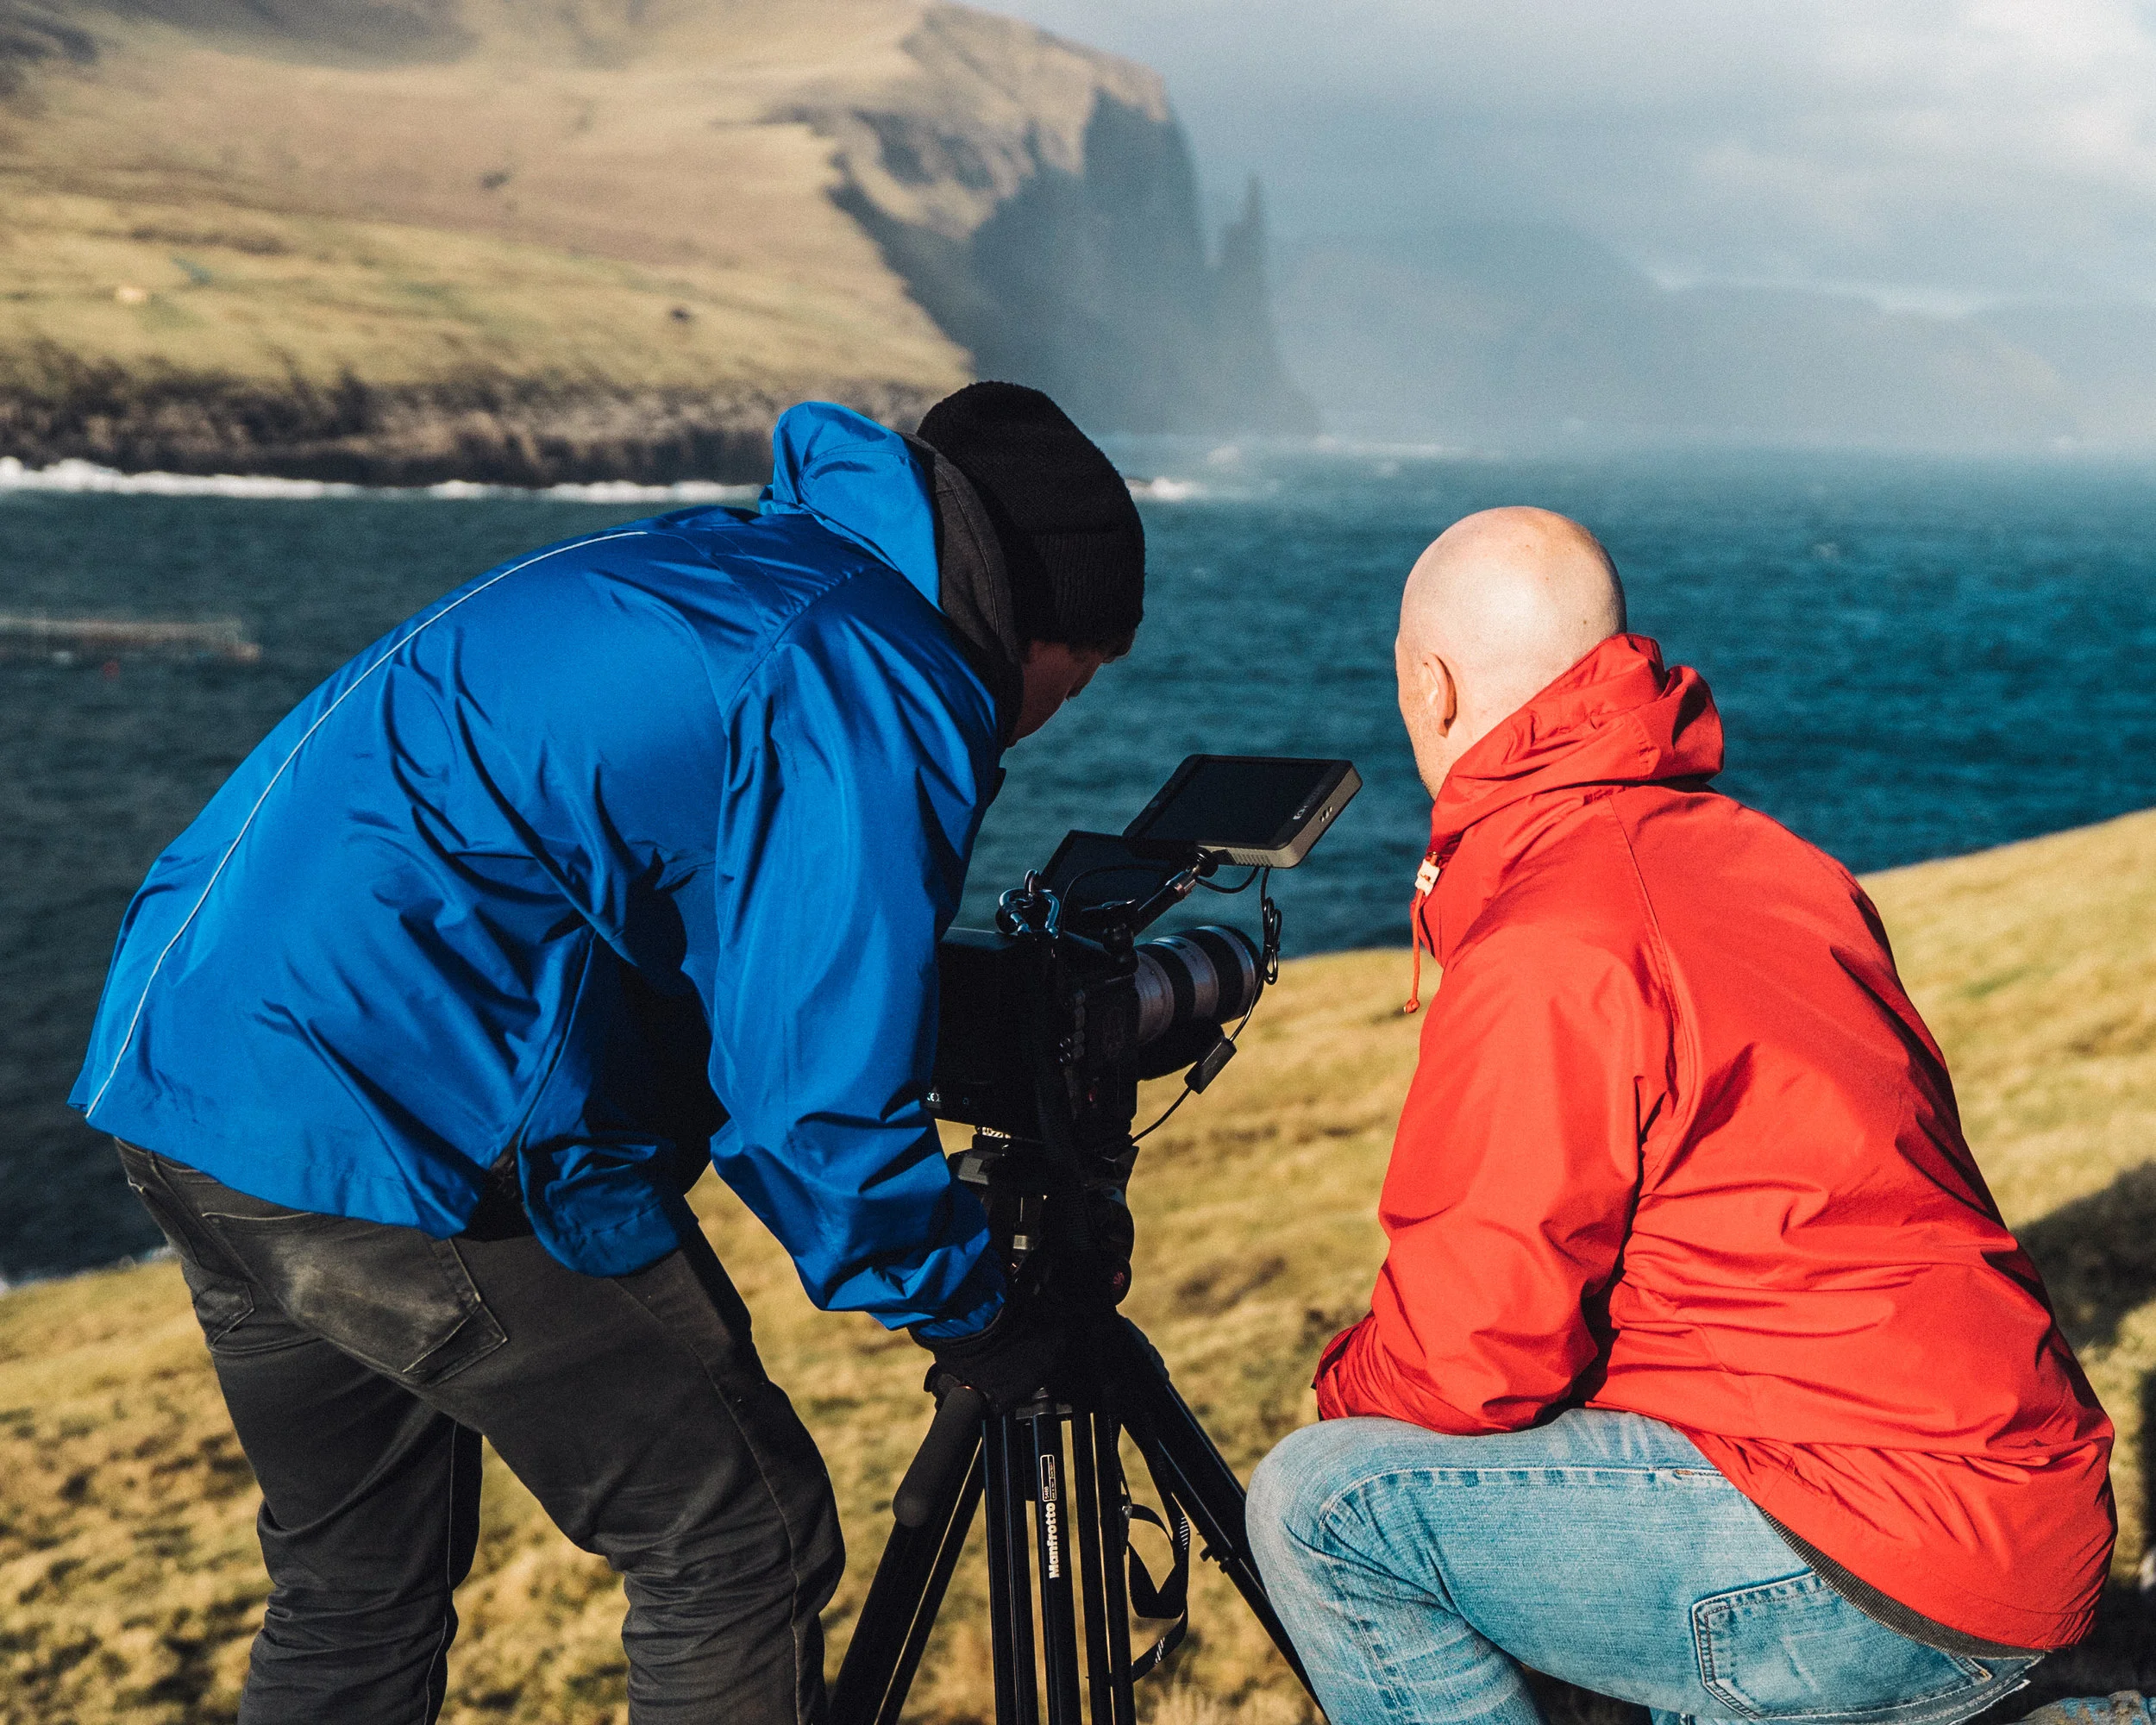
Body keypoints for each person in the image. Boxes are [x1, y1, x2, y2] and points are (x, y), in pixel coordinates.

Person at [70, 382, 1144, 1725]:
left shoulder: (715, 565)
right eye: (1080, 680)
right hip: (404, 1123)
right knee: (735, 1546)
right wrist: (980, 1308)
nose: (1053, 717)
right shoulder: (876, 664)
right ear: (1041, 627)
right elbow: (816, 1121)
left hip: (185, 1079)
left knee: (354, 1588)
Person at [1247, 507, 2115, 1725]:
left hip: (1862, 1542)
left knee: (1332, 1504)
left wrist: (1339, 1391)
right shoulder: (1777, 863)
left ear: (1428, 686)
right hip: (2008, 1499)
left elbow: (1467, 1360)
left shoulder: (1556, 935)